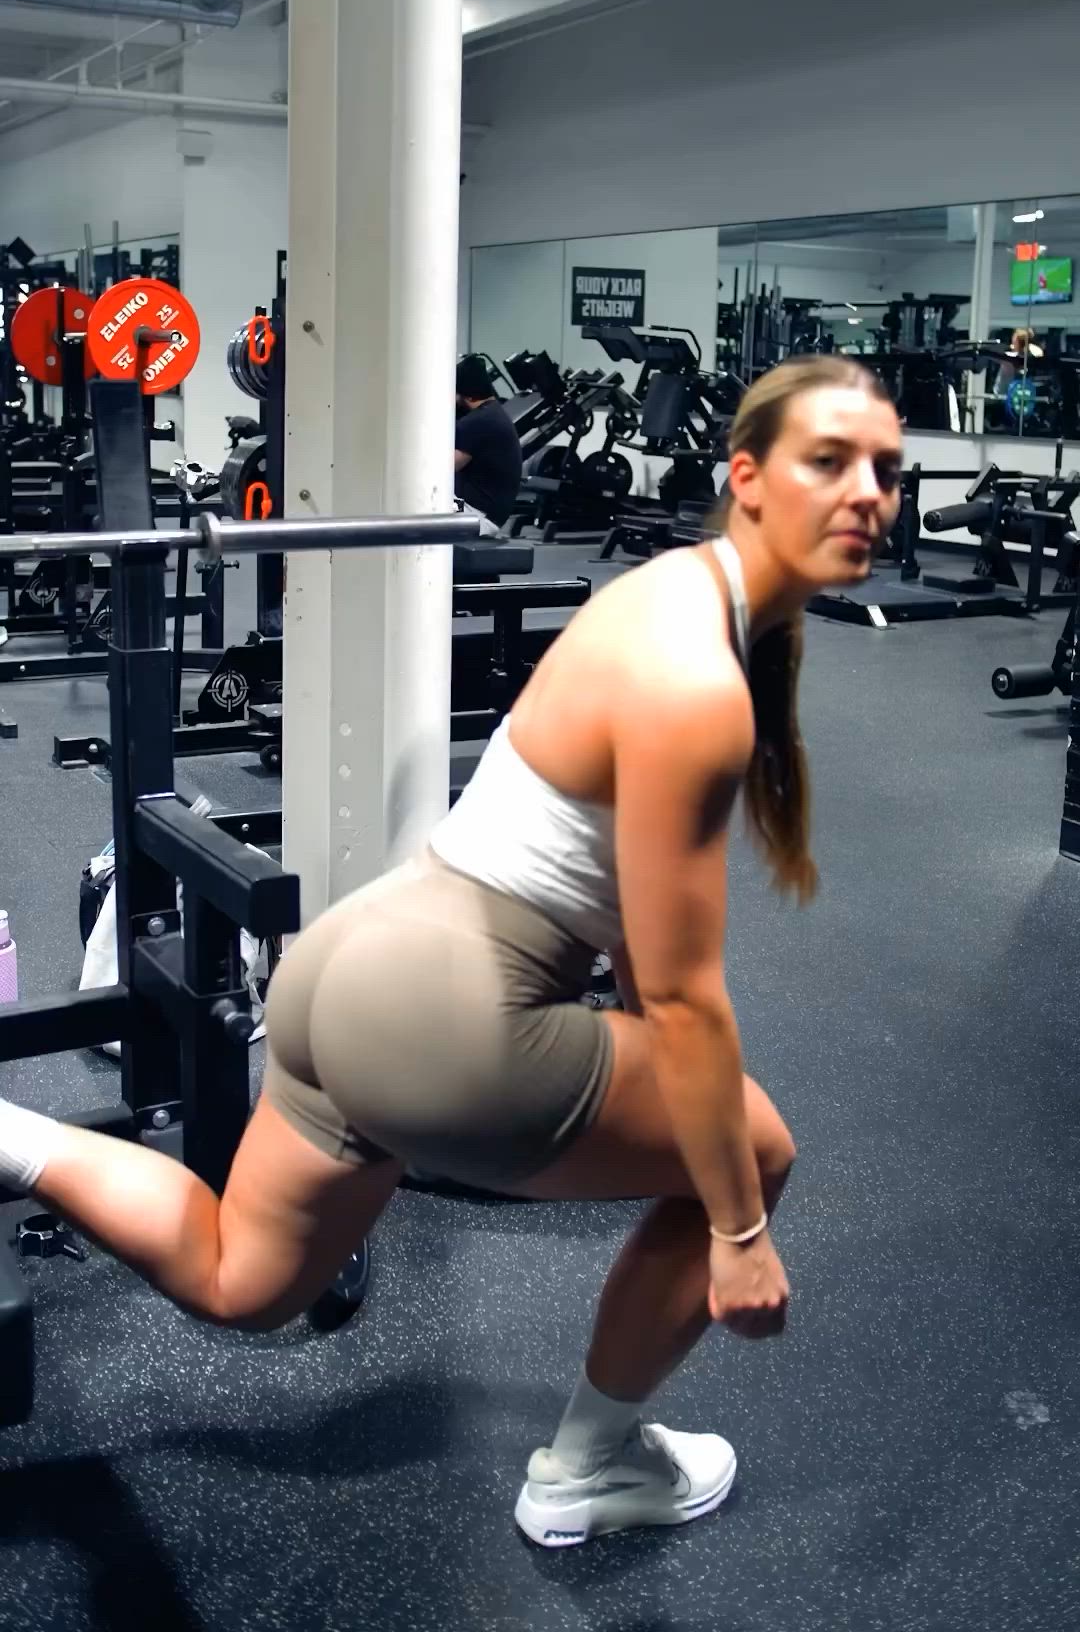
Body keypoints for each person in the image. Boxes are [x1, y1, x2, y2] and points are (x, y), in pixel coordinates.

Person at [0, 355, 902, 1549]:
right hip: (461, 1020)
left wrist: (635, 1044)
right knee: (758, 1153)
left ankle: (11, 1138)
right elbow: (683, 999)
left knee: (241, 1284)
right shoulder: (701, 685)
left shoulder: (662, 593)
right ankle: (589, 1468)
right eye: (829, 461)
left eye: (889, 467)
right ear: (744, 477)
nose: (869, 493)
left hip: (345, 969)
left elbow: (631, 923)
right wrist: (738, 1231)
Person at [453, 353, 523, 533]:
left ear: (467, 395)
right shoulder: (493, 413)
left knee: (418, 504)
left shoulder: (477, 422)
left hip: (477, 516)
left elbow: (442, 469)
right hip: (483, 512)